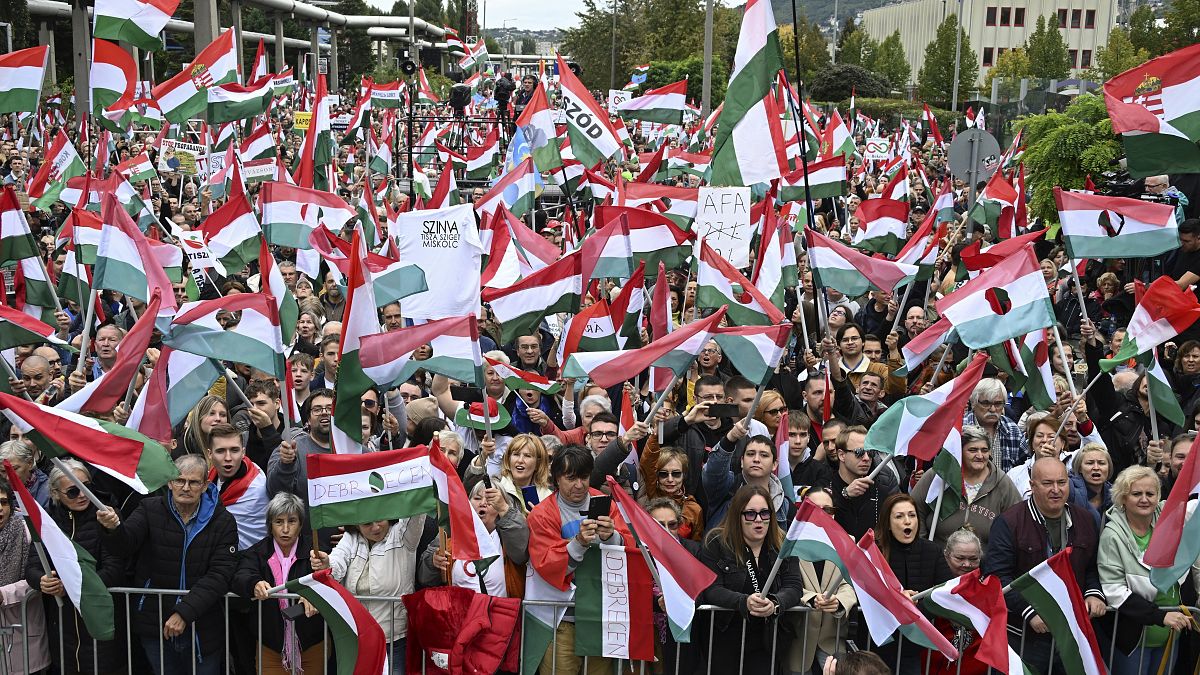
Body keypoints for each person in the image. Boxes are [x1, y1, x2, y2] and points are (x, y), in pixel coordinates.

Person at [99, 454, 239, 675]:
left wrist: (184, 613)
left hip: (202, 628)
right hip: (155, 624)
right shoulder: (149, 509)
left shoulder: (223, 521)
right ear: (169, 482)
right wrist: (113, 530)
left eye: (193, 482)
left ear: (204, 486)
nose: (185, 487)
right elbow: (124, 546)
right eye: (179, 480)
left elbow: (220, 574)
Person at [982, 457, 1107, 674]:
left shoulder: (1085, 519)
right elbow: (997, 577)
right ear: (1032, 486)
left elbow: (1091, 568)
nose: (1056, 490)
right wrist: (1029, 612)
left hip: (1071, 634)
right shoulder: (1009, 522)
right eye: (1048, 483)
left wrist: (1094, 593)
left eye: (1062, 482)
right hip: (1024, 637)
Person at [526, 445, 634, 675]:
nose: (580, 485)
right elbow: (545, 564)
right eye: (571, 478)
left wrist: (612, 536)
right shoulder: (542, 514)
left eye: (584, 477)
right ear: (556, 479)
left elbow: (630, 549)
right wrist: (578, 543)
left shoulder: (605, 503)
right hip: (561, 619)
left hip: (598, 616)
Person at [1099, 465, 1197, 675]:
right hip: (1133, 640)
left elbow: (1195, 508)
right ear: (1123, 498)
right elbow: (1114, 591)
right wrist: (1160, 617)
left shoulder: (1167, 515)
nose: (1144, 499)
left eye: (1150, 493)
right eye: (1136, 494)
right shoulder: (1111, 536)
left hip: (1172, 634)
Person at [28, 460, 124, 675]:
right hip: (62, 622)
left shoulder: (106, 515)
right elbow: (33, 566)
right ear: (55, 493)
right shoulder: (48, 520)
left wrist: (72, 587)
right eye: (73, 491)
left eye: (87, 488)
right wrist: (42, 581)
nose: (82, 495)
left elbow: (115, 568)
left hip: (100, 616)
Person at [699, 484, 804, 675]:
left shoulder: (783, 545)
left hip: (767, 640)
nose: (758, 520)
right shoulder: (715, 543)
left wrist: (775, 603)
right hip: (726, 638)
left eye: (764, 513)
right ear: (737, 515)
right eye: (750, 514)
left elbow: (794, 586)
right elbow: (711, 589)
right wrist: (743, 601)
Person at [311, 511, 424, 673]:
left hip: (393, 641)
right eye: (367, 524)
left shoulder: (402, 535)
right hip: (359, 639)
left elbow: (416, 512)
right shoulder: (351, 539)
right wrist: (326, 563)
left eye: (380, 518)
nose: (375, 527)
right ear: (356, 524)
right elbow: (336, 564)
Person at [232, 492, 325, 675]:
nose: (285, 529)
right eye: (278, 521)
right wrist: (254, 583)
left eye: (291, 521)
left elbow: (330, 579)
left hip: (312, 644)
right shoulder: (258, 552)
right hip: (270, 647)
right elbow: (240, 575)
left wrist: (314, 595)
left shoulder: (315, 552)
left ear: (300, 525)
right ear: (270, 525)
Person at [873, 493, 952, 675]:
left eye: (912, 515)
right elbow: (865, 592)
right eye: (899, 516)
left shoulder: (932, 551)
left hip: (915, 646)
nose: (907, 521)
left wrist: (914, 609)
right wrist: (896, 600)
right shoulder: (874, 551)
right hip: (879, 644)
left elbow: (945, 593)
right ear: (888, 523)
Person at [911, 424, 1020, 547]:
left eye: (984, 450)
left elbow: (1017, 524)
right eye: (972, 450)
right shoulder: (940, 475)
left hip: (984, 563)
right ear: (959, 451)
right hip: (937, 561)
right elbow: (914, 510)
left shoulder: (1002, 482)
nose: (980, 456)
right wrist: (922, 548)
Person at [787, 487, 856, 675]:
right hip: (797, 641)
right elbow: (786, 585)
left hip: (832, 641)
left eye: (827, 509)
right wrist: (810, 598)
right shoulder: (788, 543)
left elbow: (850, 584)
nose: (821, 514)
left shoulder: (848, 542)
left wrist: (840, 601)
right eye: (814, 509)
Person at [419, 481, 530, 597]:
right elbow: (424, 578)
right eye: (477, 498)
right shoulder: (452, 533)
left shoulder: (508, 536)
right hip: (460, 612)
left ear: (501, 506)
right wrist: (433, 562)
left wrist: (506, 512)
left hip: (499, 612)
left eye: (490, 499)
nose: (482, 503)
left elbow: (520, 554)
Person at [704, 426, 793, 526]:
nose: (756, 459)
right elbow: (714, 471)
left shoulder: (785, 507)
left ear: (774, 464)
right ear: (742, 461)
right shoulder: (726, 488)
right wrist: (730, 438)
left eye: (764, 455)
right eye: (750, 454)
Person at [206, 422, 269, 550]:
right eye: (220, 451)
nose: (228, 457)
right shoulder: (207, 481)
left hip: (252, 562)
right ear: (209, 454)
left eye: (234, 450)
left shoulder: (257, 487)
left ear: (243, 452)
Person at [827, 425, 898, 539]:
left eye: (870, 452)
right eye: (859, 452)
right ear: (841, 455)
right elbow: (822, 524)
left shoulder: (884, 480)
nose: (866, 458)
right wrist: (845, 494)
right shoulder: (826, 482)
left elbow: (899, 515)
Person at [963, 378, 1028, 472]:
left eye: (998, 404)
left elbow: (1024, 466)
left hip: (1004, 486)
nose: (993, 409)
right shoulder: (959, 429)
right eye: (986, 403)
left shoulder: (1012, 429)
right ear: (973, 403)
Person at [1069, 444, 1113, 529]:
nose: (1096, 467)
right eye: (1090, 463)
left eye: (1101, 463)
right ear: (1079, 468)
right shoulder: (1068, 490)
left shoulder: (1116, 497)